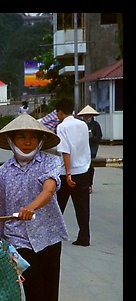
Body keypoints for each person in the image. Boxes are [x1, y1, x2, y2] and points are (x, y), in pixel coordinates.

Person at [0, 113, 68, 301]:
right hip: (18, 242)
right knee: (35, 296)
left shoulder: (50, 162)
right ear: (12, 140)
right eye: (21, 137)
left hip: (48, 239)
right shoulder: (3, 172)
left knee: (48, 300)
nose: (27, 141)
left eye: (32, 136)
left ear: (41, 140)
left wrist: (29, 208)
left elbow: (48, 190)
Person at [54, 98, 92, 247]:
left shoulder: (62, 127)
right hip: (83, 169)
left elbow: (65, 151)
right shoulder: (82, 124)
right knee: (83, 206)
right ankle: (84, 236)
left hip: (67, 172)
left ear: (61, 112)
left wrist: (68, 173)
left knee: (58, 205)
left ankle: (55, 234)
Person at [77, 105, 102, 193]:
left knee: (90, 167)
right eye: (85, 115)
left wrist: (90, 138)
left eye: (88, 115)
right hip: (82, 148)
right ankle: (83, 184)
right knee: (82, 167)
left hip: (92, 148)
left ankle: (89, 185)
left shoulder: (95, 125)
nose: (87, 117)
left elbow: (99, 137)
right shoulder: (80, 124)